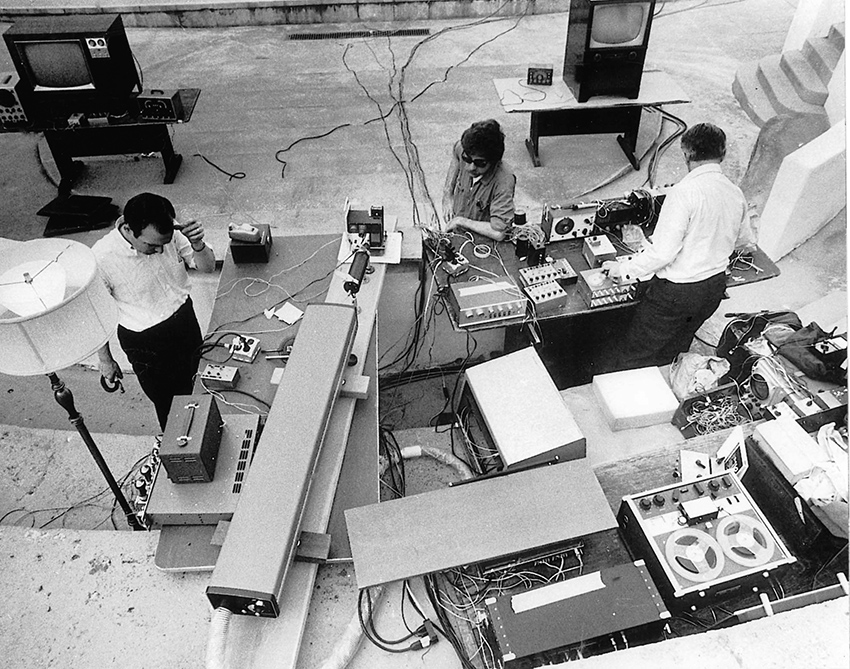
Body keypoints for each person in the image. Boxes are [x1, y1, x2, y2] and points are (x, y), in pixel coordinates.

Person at [599, 122, 756, 373]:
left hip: (675, 295)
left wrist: (624, 269)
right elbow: (745, 242)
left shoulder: (683, 193)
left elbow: (663, 253)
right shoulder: (735, 192)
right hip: (712, 290)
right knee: (675, 349)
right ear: (723, 153)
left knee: (636, 356)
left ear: (686, 153)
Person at [93, 192, 216, 431]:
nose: (160, 251)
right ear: (128, 229)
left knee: (199, 386)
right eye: (151, 245)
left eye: (164, 244)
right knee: (170, 408)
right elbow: (96, 314)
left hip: (184, 323)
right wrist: (105, 359)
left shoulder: (170, 236)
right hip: (147, 343)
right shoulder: (101, 258)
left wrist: (198, 245)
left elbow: (208, 268)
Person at [442, 119, 516, 242]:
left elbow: (499, 232)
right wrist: (447, 193)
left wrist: (461, 221)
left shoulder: (504, 181)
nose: (470, 168)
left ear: (494, 162)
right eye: (467, 159)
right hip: (458, 231)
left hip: (481, 242)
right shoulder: (464, 149)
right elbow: (456, 154)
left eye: (480, 163)